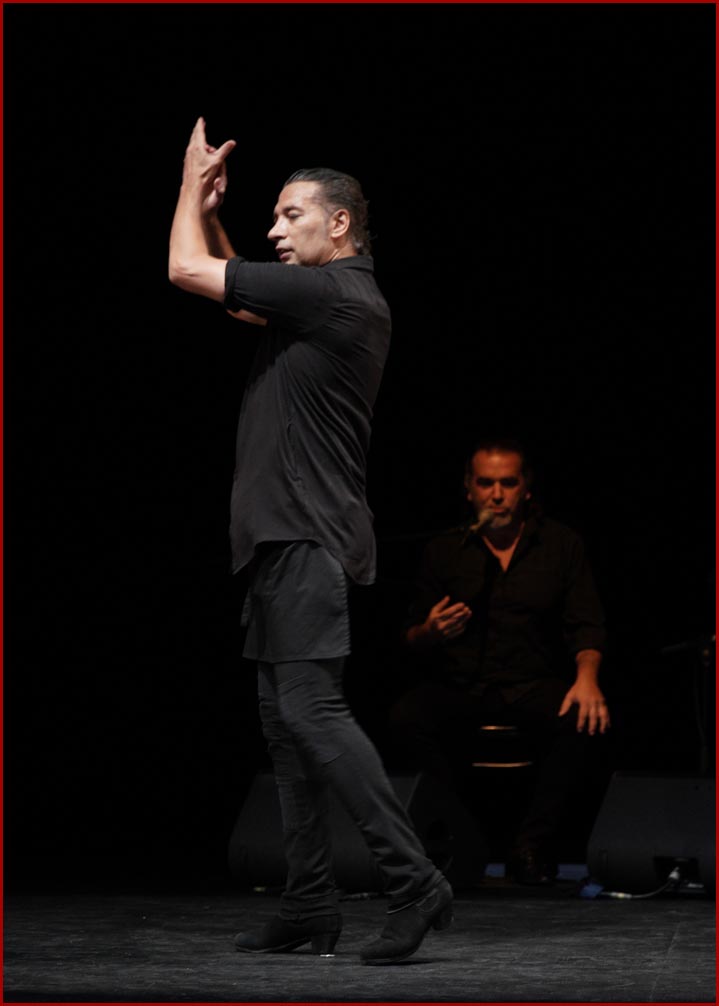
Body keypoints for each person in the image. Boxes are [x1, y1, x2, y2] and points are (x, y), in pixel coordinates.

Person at [168, 117, 452, 964]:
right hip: (280, 540)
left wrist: (189, 188)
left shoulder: (335, 293)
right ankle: (308, 903)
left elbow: (185, 269)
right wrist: (213, 215)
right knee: (286, 730)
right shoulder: (320, 301)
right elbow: (241, 294)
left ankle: (414, 882)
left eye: (290, 216)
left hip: (305, 537)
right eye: (272, 217)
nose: (274, 229)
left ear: (339, 223)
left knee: (311, 714)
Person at [388, 438, 609, 884]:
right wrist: (429, 632)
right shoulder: (445, 549)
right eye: (486, 484)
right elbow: (409, 635)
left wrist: (587, 678)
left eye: (507, 483)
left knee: (583, 720)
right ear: (468, 488)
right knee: (405, 719)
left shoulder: (560, 544)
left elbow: (586, 624)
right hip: (462, 686)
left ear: (525, 488)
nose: (496, 495)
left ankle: (530, 846)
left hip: (531, 682)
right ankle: (463, 836)